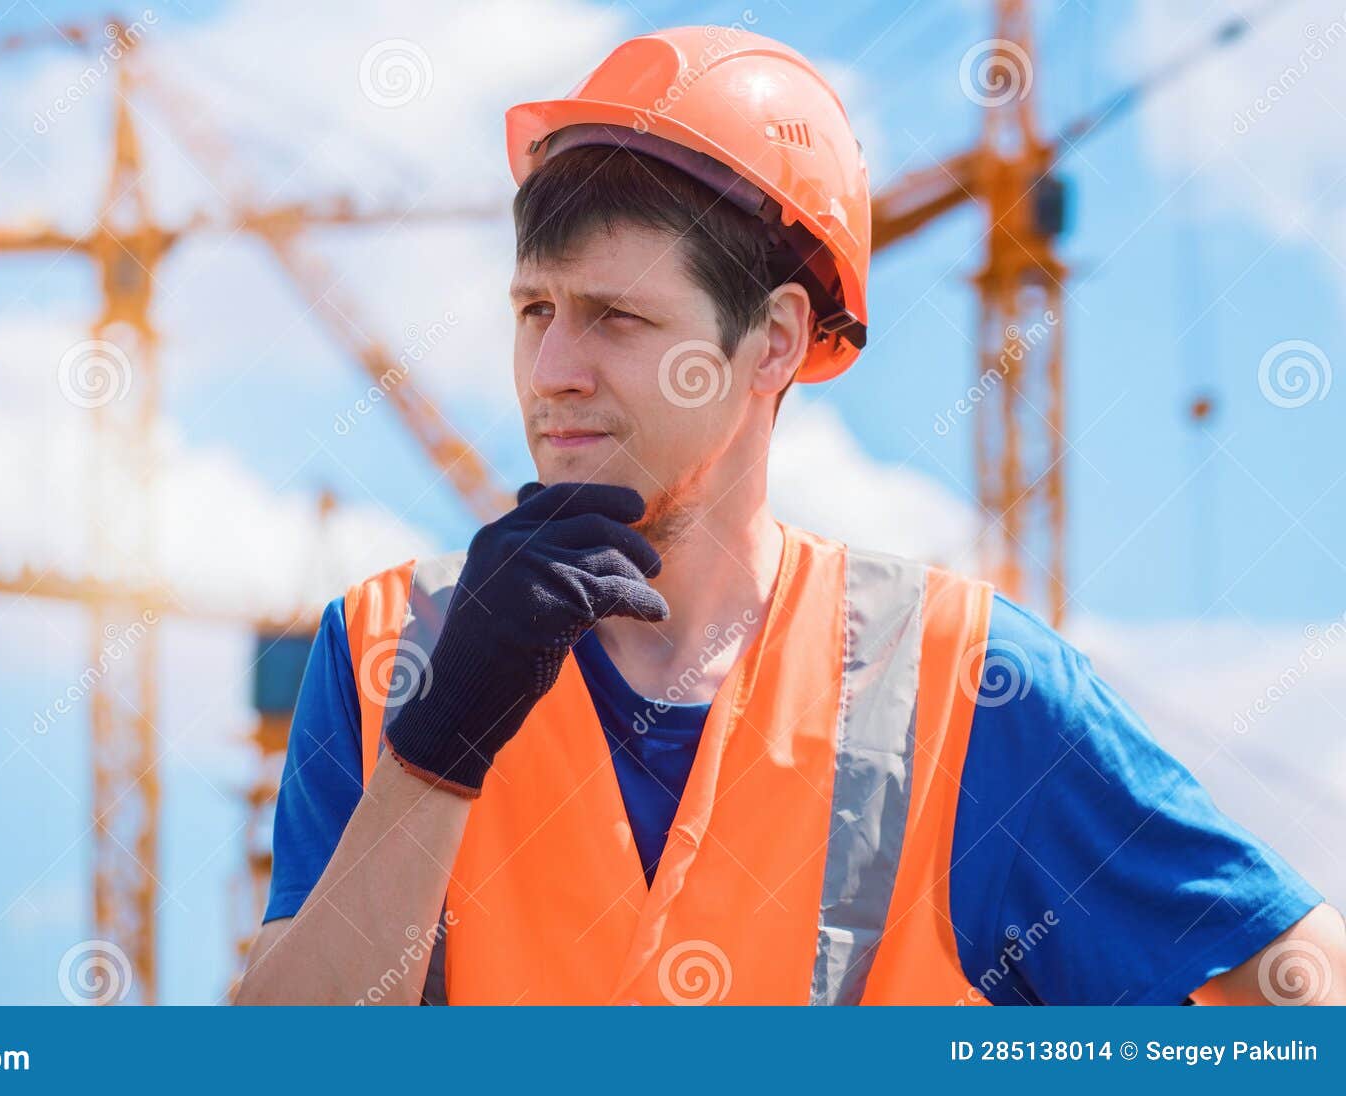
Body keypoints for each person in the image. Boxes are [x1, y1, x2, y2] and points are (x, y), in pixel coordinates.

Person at [234, 26, 1343, 1005]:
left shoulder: (960, 684)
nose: (553, 370)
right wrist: (432, 760)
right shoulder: (393, 654)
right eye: (535, 310)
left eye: (615, 316)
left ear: (770, 340)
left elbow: (1304, 1001)